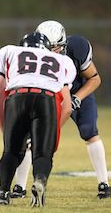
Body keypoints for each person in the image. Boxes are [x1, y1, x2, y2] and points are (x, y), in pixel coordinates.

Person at [0, 32, 75, 207]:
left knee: (11, 152)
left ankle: (3, 192)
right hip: (46, 98)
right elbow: (67, 105)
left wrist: (4, 128)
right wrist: (49, 132)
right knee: (43, 153)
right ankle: (40, 180)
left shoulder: (10, 51)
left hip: (17, 96)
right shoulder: (62, 60)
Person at [35, 20, 110, 199]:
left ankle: (104, 183)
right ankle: (20, 187)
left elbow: (94, 78)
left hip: (76, 91)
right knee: (34, 137)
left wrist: (77, 97)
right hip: (51, 94)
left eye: (57, 47)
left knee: (89, 131)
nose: (53, 52)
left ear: (64, 43)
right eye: (48, 47)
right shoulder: (33, 52)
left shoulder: (77, 47)